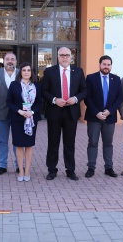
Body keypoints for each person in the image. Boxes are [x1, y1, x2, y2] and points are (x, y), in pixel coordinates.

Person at [41, 47, 87, 181]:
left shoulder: (78, 71)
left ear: (71, 57)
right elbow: (44, 91)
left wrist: (76, 99)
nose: (65, 57)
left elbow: (84, 90)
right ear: (58, 57)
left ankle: (70, 170)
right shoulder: (50, 71)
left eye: (67, 55)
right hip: (54, 112)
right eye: (62, 55)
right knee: (53, 143)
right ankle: (52, 170)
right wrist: (55, 100)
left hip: (71, 112)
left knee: (70, 143)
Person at [84, 55, 122, 178]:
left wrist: (109, 111)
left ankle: (109, 168)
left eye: (108, 64)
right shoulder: (90, 78)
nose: (106, 66)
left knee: (108, 143)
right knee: (93, 143)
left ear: (111, 66)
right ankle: (91, 168)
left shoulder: (116, 79)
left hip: (109, 117)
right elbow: (87, 97)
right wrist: (96, 112)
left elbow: (119, 98)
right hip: (94, 116)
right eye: (104, 64)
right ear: (100, 64)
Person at [6, 62, 42, 182]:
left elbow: (40, 102)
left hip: (31, 119)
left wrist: (31, 112)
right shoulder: (14, 85)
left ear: (31, 72)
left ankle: (27, 171)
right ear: (20, 72)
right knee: (19, 145)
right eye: (24, 70)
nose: (26, 72)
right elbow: (9, 101)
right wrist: (19, 111)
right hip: (18, 118)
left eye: (28, 70)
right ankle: (20, 170)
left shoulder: (36, 85)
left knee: (29, 145)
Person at [0, 52, 19, 175]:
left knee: (18, 140)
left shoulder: (22, 73)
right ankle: (2, 165)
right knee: (1, 141)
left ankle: (19, 165)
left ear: (16, 61)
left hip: (18, 113)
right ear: (4, 60)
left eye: (13, 59)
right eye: (7, 59)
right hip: (0, 112)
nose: (10, 61)